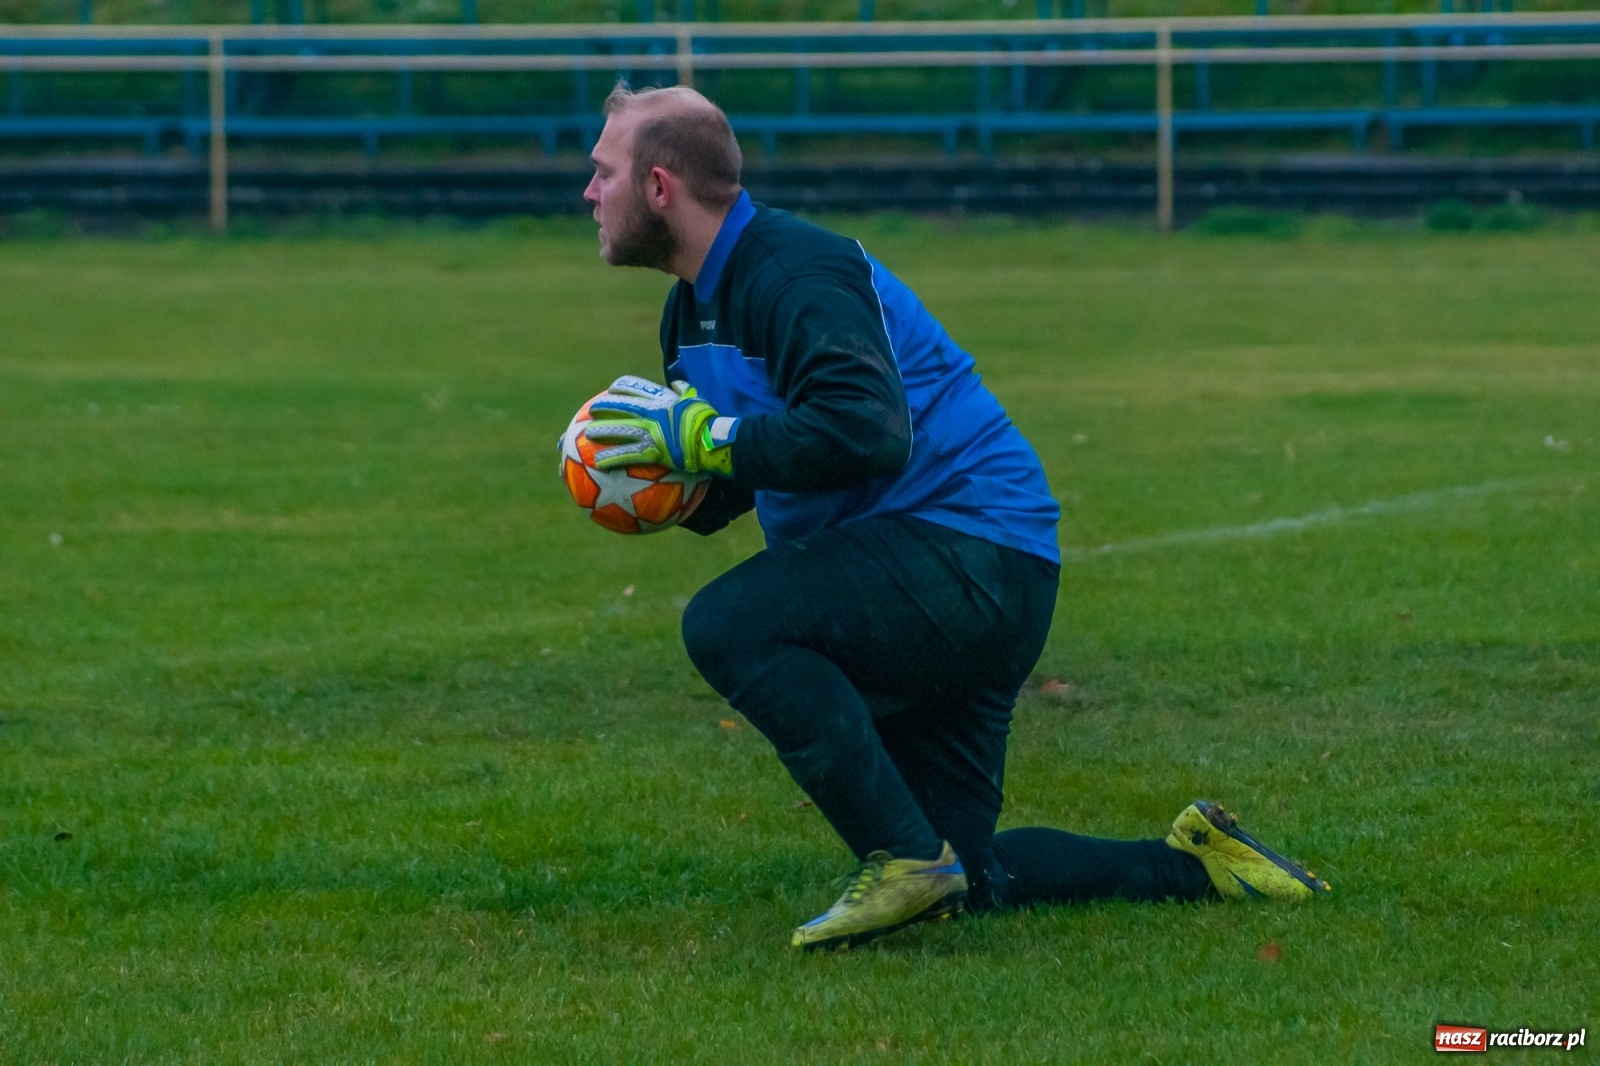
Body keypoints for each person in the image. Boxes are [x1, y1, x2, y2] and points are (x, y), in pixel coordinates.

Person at [577, 83, 1328, 952]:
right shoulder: (690, 310)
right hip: (949, 566)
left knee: (725, 624)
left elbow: (866, 430)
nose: (589, 193)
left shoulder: (792, 271)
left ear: (660, 186)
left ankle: (900, 858)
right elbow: (766, 457)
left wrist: (708, 440)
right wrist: (666, 482)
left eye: (604, 172)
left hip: (970, 554)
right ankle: (1197, 866)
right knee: (970, 880)